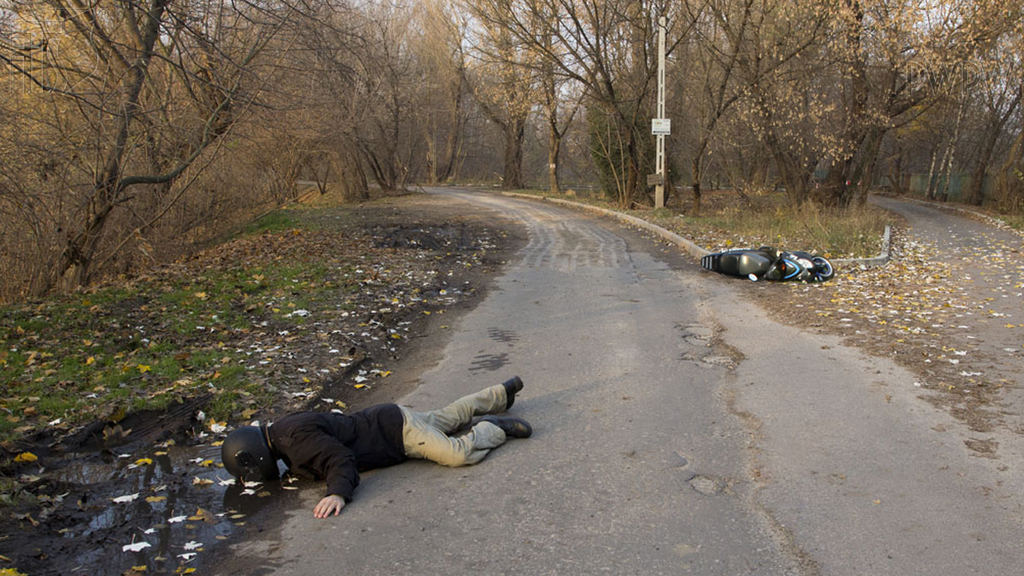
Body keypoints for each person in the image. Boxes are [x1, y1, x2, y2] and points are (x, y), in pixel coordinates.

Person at [221, 377, 532, 518]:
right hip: (388, 419)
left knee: (457, 453)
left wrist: (337, 492)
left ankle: (493, 428)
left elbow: (338, 457)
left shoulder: (295, 442)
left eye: (249, 468)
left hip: (395, 434)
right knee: (447, 418)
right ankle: (499, 394)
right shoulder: (285, 430)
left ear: (254, 454)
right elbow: (322, 449)